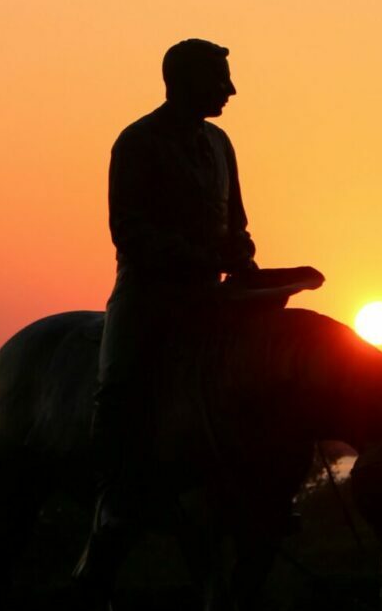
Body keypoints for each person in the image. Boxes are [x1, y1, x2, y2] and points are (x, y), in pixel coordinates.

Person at [82, 39, 256, 545]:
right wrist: (205, 258)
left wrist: (241, 253)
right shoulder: (137, 142)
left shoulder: (220, 143)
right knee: (118, 386)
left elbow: (236, 220)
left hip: (212, 292)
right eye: (220, 79)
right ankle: (113, 494)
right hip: (150, 294)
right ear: (182, 82)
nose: (230, 90)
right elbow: (130, 232)